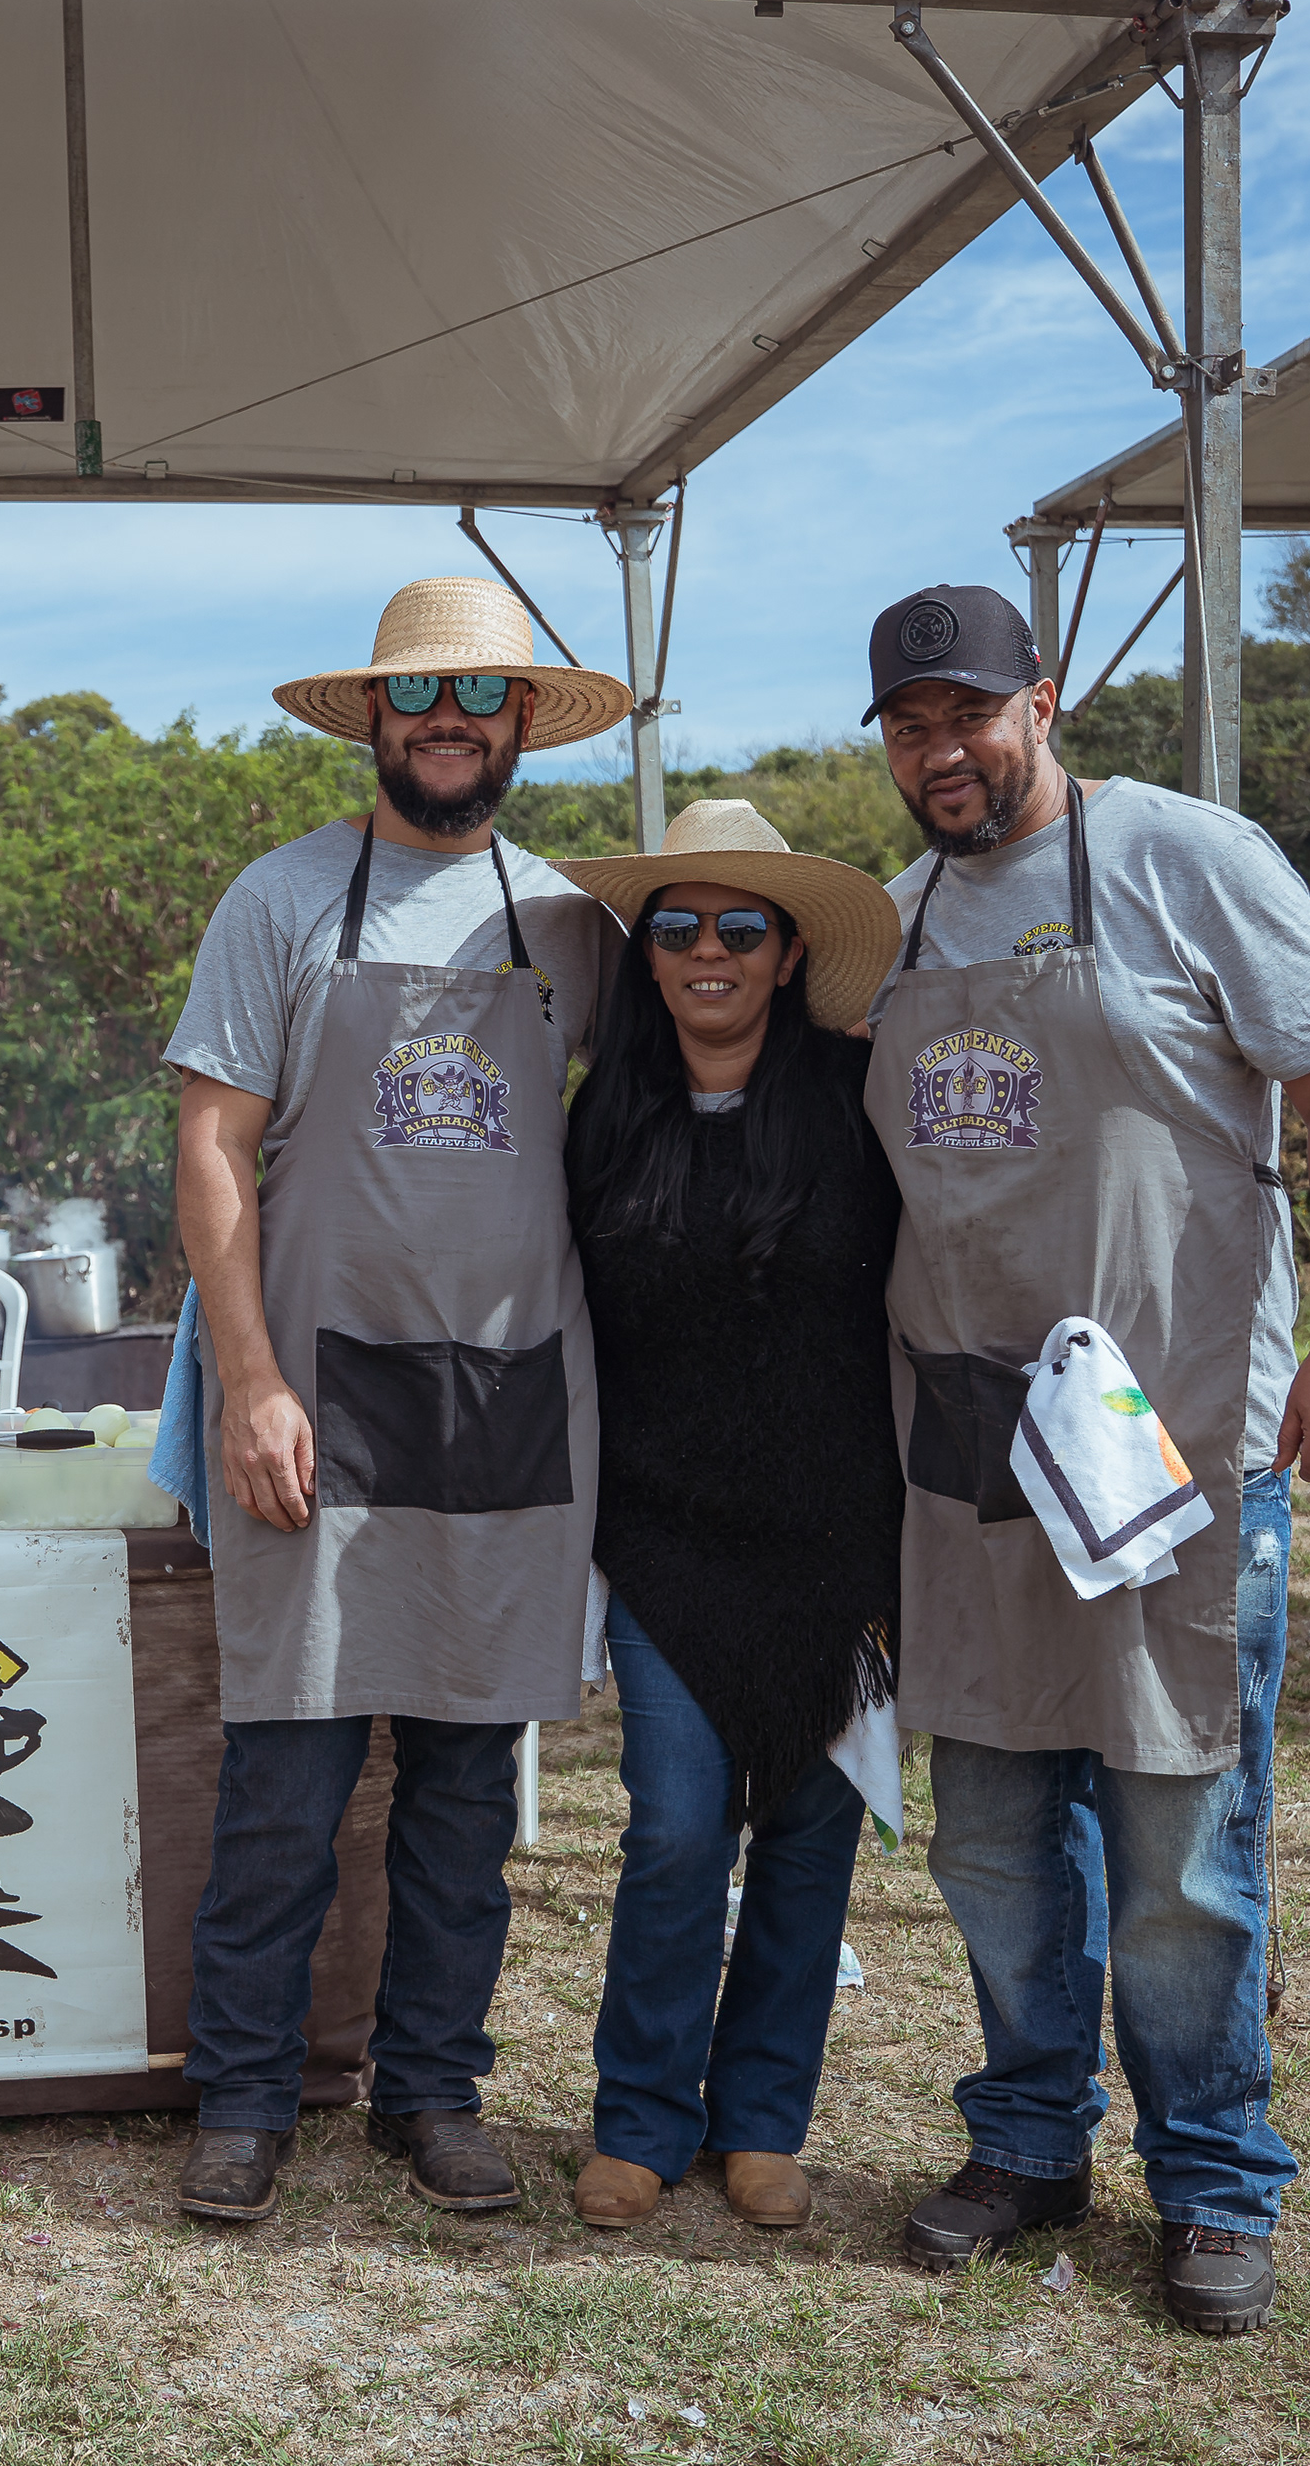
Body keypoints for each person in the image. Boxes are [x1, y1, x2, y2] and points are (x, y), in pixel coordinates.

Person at [854, 585, 1310, 2336]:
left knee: (1182, 1843)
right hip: (971, 1435)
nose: (943, 753)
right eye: (910, 728)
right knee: (992, 1834)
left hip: (1170, 1440)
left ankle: (1216, 2179)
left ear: (1048, 697)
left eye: (970, 714)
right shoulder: (891, 924)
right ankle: (1029, 2140)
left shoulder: (1187, 858)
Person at [164, 576, 626, 2223]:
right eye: (421, 692)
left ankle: (432, 2090)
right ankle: (245, 2097)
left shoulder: (573, 921)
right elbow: (212, 1145)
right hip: (317, 1393)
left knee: (463, 1791)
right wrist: (248, 1381)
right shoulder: (281, 899)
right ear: (373, 711)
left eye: (480, 695)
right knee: (285, 1786)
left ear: (523, 724)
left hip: (511, 1399)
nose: (449, 720)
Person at [550, 800, 906, 2236]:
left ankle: (763, 2120)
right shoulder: (603, 1117)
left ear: (787, 952)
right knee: (679, 1831)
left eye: (741, 927)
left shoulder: (863, 1101)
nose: (710, 951)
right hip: (664, 1535)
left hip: (838, 1531)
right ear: (648, 958)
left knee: (811, 1835)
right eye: (680, 927)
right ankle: (642, 2117)